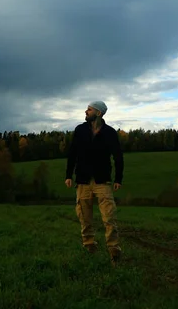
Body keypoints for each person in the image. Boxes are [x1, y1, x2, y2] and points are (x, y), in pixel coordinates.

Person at [65, 100, 124, 265]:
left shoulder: (110, 133)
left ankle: (114, 253)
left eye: (89, 109)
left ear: (98, 113)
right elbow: (72, 153)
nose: (86, 111)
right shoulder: (80, 130)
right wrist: (68, 175)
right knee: (84, 217)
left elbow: (118, 156)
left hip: (102, 181)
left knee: (109, 217)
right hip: (82, 181)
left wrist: (118, 178)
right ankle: (89, 246)